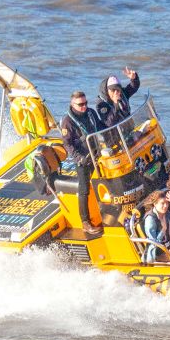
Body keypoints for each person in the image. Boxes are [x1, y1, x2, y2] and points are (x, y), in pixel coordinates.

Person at [61, 90, 106, 236]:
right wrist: (79, 158)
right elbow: (67, 144)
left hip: (97, 154)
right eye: (80, 104)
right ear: (72, 104)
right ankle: (85, 222)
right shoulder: (67, 122)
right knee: (84, 189)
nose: (84, 107)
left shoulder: (91, 113)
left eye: (86, 103)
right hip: (83, 159)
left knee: (105, 180)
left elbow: (101, 127)